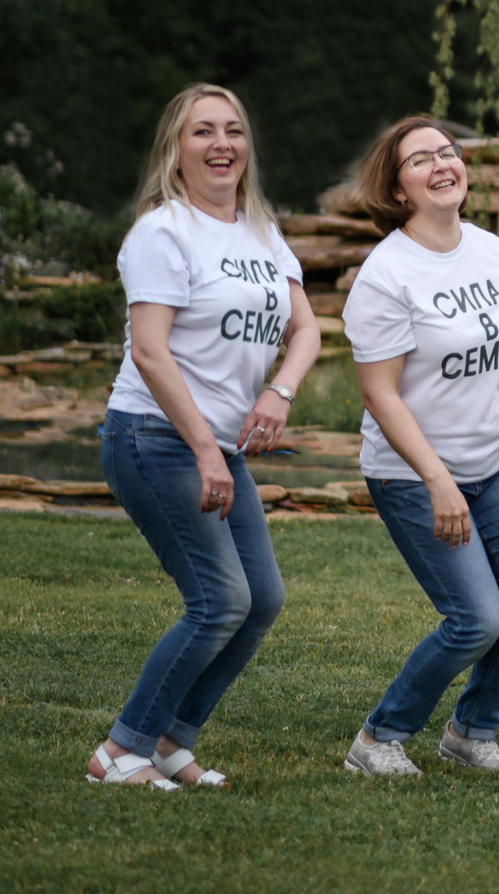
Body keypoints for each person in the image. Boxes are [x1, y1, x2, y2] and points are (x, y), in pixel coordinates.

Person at [91, 83, 321, 790]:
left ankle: (169, 740)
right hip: (155, 437)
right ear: (177, 149)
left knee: (263, 598)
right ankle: (118, 750)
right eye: (202, 132)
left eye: (234, 130)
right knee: (220, 599)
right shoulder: (163, 232)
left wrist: (279, 391)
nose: (221, 143)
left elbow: (306, 326)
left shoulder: (261, 231)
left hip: (215, 444)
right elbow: (152, 351)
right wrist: (201, 447)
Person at [341, 117, 499, 778]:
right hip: (414, 474)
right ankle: (378, 737)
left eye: (449, 152)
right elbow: (382, 395)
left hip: (494, 462)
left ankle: (472, 730)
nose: (442, 164)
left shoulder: (494, 251)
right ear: (398, 186)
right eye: (421, 160)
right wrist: (437, 479)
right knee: (476, 618)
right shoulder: (385, 275)